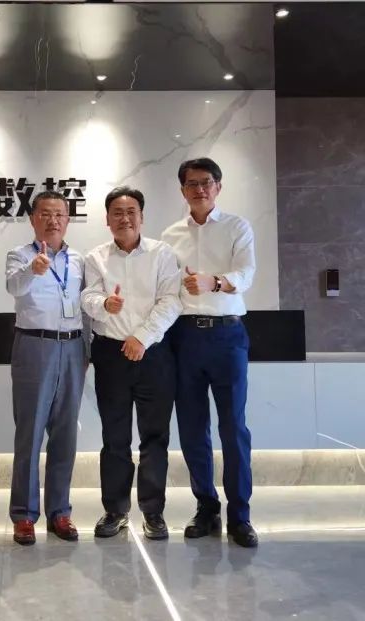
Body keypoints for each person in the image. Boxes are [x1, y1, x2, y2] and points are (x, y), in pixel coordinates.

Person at [161, 157, 259, 548]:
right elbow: (165, 287)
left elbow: (246, 274)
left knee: (233, 427)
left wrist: (214, 282)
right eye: (191, 184)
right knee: (191, 428)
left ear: (218, 186)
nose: (199, 189)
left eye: (206, 182)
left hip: (227, 336)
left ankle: (240, 515)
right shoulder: (170, 236)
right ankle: (206, 507)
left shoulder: (237, 227)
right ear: (182, 190)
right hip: (184, 337)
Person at [81, 186, 182, 540]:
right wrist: (103, 304)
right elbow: (88, 296)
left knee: (155, 437)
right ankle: (115, 510)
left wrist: (142, 337)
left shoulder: (162, 253)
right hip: (111, 354)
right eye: (117, 213)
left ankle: (153, 512)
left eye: (131, 212)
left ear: (142, 217)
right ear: (107, 220)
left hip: (153, 354)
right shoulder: (95, 257)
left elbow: (171, 300)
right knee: (114, 437)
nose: (124, 218)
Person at [5, 190, 86, 545]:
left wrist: (89, 350)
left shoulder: (80, 260)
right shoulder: (19, 256)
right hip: (34, 345)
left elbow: (86, 304)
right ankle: (24, 515)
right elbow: (13, 286)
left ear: (67, 220)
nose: (53, 220)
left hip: (73, 347)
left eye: (59, 214)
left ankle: (60, 512)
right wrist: (33, 270)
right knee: (30, 432)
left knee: (66, 434)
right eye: (45, 214)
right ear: (32, 218)